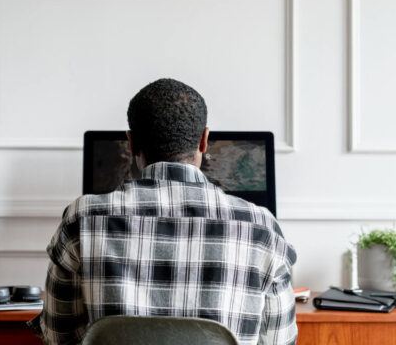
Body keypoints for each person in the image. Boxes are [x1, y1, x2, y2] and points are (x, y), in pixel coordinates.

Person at [29, 78, 297, 345]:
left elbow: (58, 337)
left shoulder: (81, 220)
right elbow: (279, 342)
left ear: (131, 143)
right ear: (204, 141)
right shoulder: (262, 229)